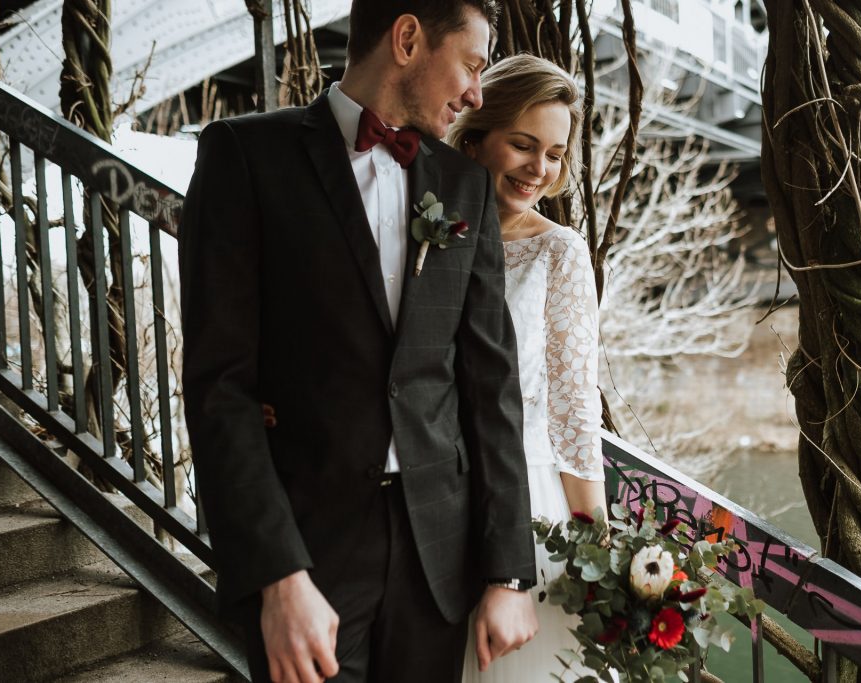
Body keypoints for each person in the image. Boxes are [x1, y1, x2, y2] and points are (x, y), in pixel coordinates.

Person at [178, 2, 539, 681]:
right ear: (407, 39)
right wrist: (277, 575)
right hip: (307, 551)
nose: (476, 93)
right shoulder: (246, 156)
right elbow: (219, 384)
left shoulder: (464, 186)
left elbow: (492, 386)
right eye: (469, 64)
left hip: (439, 557)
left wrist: (509, 571)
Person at [447, 54, 608, 681]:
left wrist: (596, 540)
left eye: (555, 154)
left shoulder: (560, 254)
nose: (539, 168)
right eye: (522, 144)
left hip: (527, 500)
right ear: (477, 136)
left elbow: (574, 407)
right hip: (430, 492)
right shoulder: (429, 228)